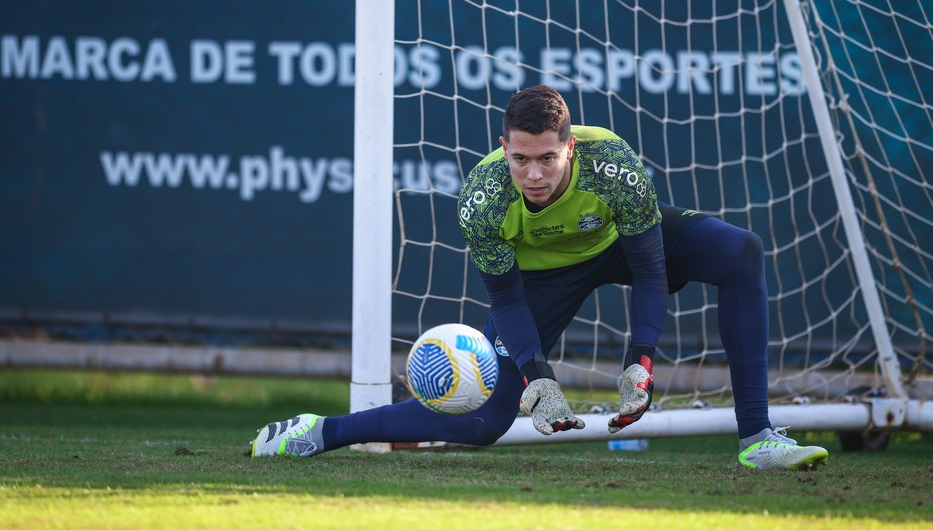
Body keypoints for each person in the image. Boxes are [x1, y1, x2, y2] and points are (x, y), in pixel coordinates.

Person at [251, 85, 829, 470]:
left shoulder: (613, 166)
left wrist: (641, 360)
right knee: (483, 420)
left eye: (547, 159)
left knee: (741, 252)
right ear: (502, 147)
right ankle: (320, 430)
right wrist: (538, 378)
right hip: (540, 279)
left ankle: (757, 439)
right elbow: (505, 297)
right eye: (519, 158)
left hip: (618, 247)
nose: (532, 173)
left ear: (570, 148)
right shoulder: (481, 198)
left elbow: (651, 268)